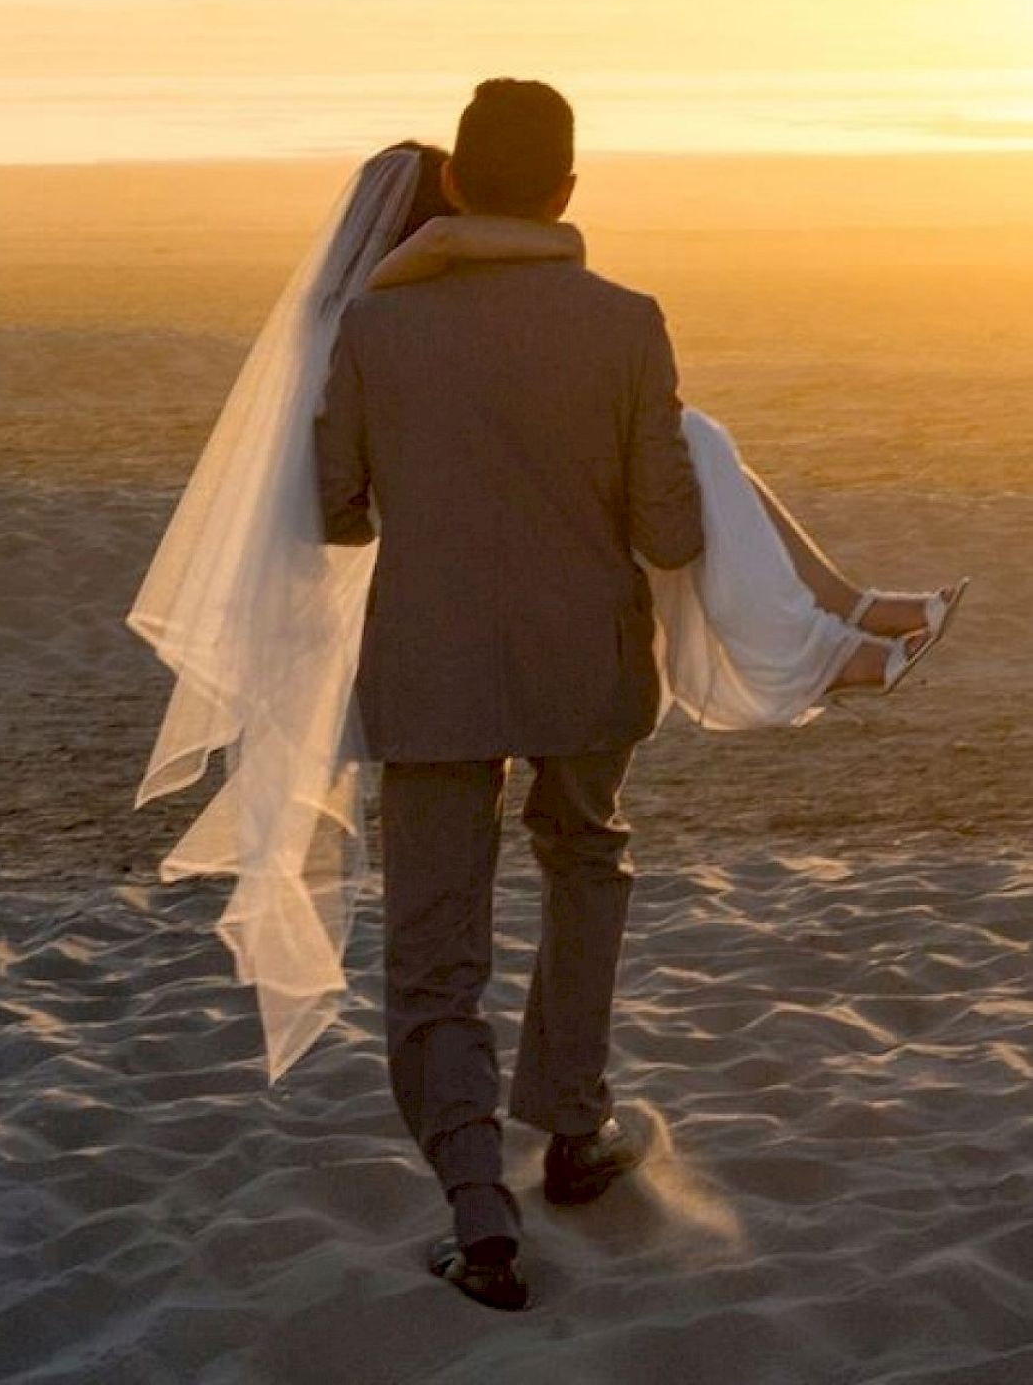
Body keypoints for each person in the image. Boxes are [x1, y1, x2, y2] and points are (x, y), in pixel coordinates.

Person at [129, 85, 965, 1314]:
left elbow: (339, 509)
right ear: (569, 191)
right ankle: (575, 1128)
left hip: (433, 672)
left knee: (434, 954)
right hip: (587, 663)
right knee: (584, 863)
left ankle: (480, 1213)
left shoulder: (373, 327)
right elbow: (668, 525)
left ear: (457, 184)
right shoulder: (627, 322)